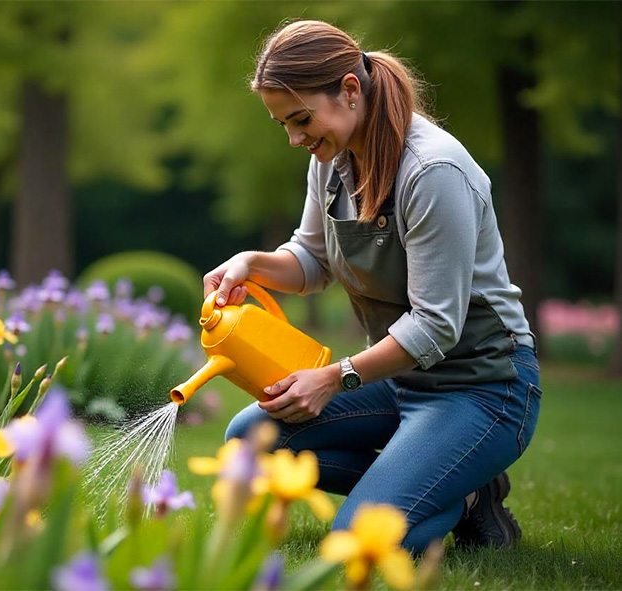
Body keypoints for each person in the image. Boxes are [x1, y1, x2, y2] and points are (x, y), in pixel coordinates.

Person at [206, 20, 541, 555]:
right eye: (283, 125)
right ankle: (448, 479)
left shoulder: (434, 171)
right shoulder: (332, 158)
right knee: (251, 442)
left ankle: (458, 490)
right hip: (402, 380)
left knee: (361, 541)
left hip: (483, 386)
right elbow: (312, 259)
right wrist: (251, 263)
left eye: (300, 119)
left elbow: (436, 326)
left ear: (350, 90)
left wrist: (334, 378)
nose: (295, 138)